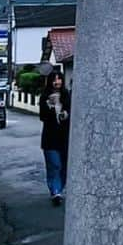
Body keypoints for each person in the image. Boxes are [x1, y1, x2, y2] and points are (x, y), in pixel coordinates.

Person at [39, 70, 71, 206]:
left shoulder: (66, 95)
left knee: (64, 166)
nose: (56, 82)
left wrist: (65, 114)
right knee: (54, 165)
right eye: (54, 79)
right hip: (50, 138)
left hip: (65, 137)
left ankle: (59, 189)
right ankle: (55, 191)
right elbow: (42, 117)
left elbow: (72, 112)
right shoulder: (44, 97)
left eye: (59, 79)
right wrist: (50, 107)